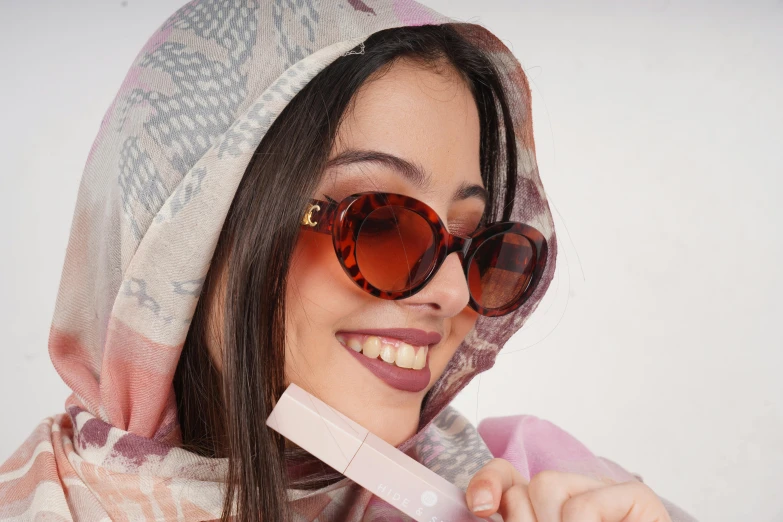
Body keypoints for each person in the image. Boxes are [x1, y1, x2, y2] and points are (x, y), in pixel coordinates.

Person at [0, 1, 699, 521]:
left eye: (478, 243)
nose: (454, 293)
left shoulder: (539, 489)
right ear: (191, 234)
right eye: (384, 222)